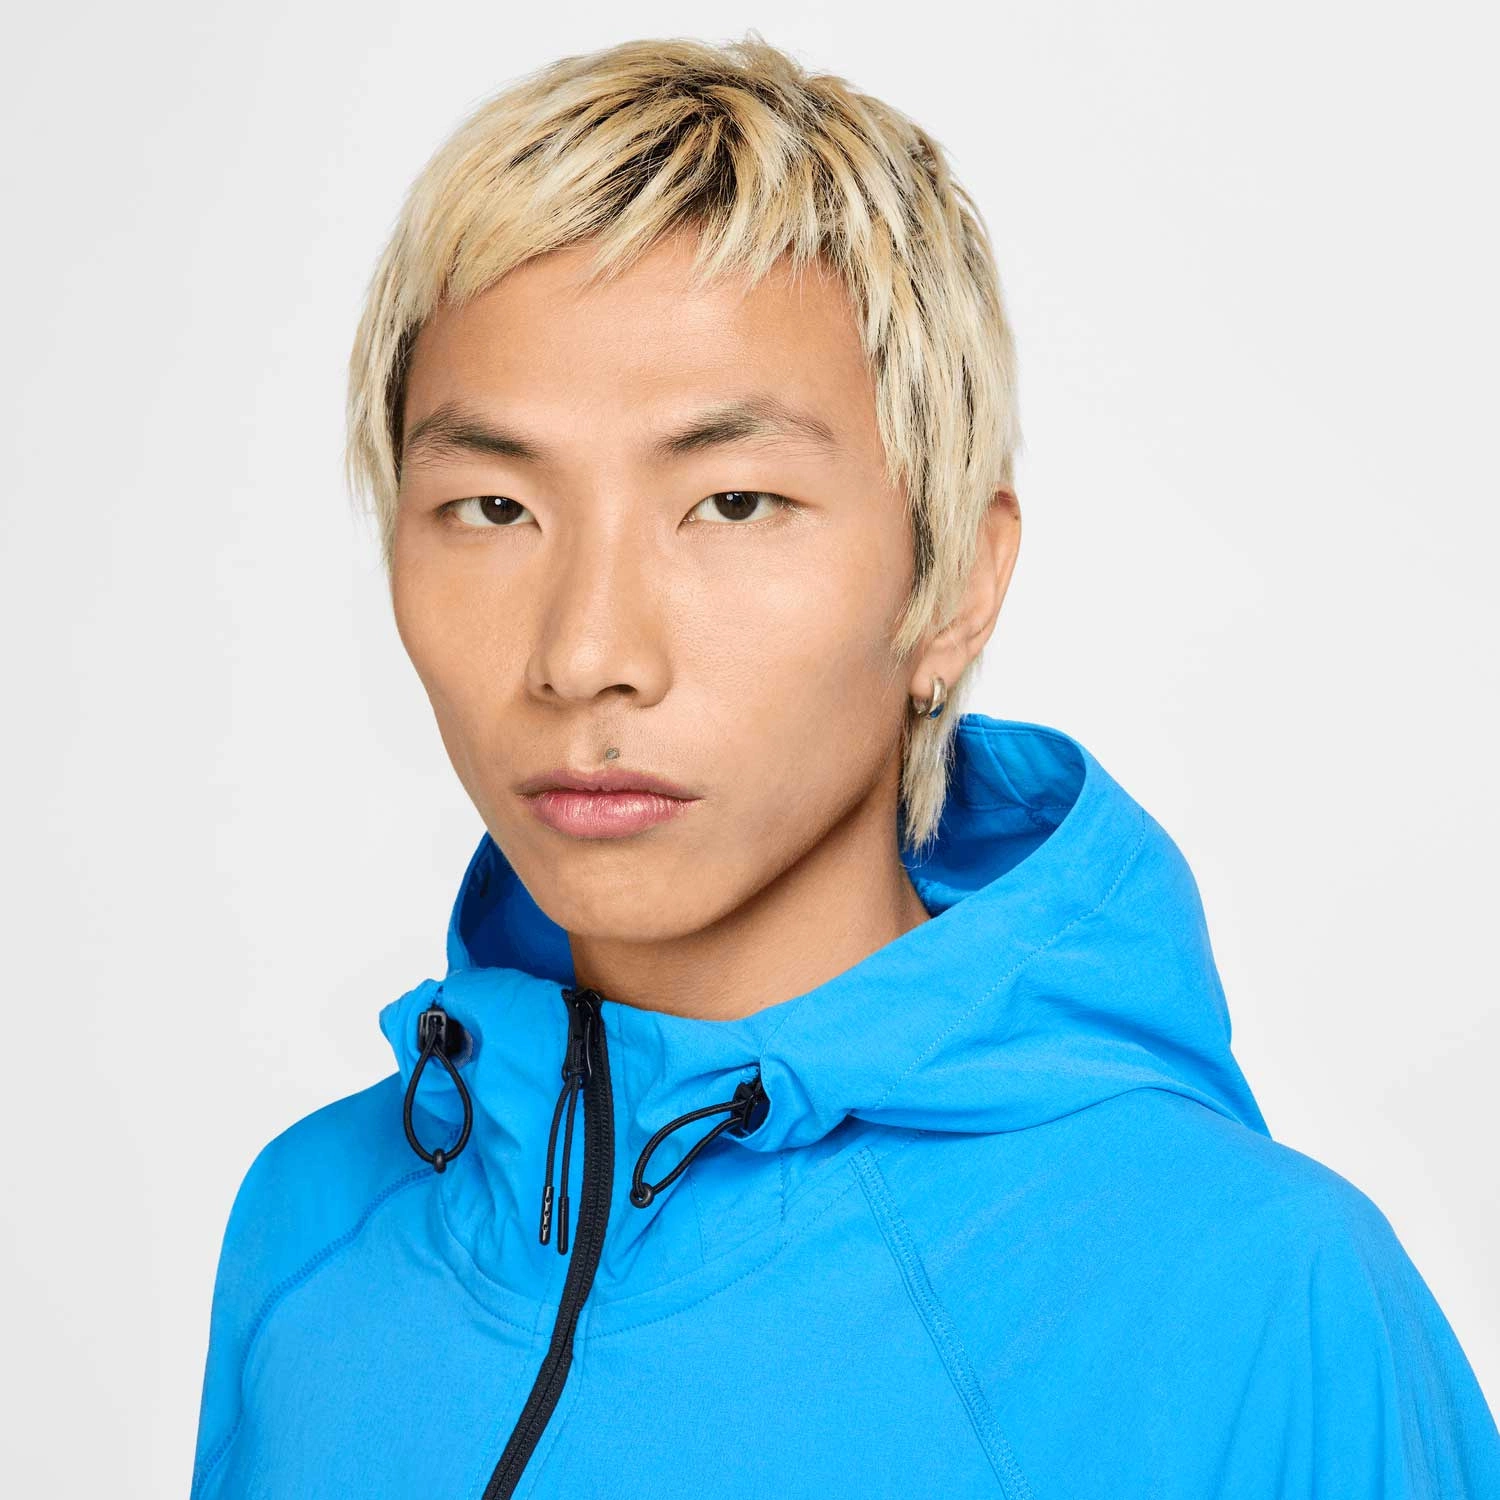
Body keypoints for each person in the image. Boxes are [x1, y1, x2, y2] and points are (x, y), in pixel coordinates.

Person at [188, 32, 1500, 1499]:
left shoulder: (1249, 1298)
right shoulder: (311, 1232)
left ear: (955, 587)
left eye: (733, 503)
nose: (583, 652)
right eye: (494, 509)